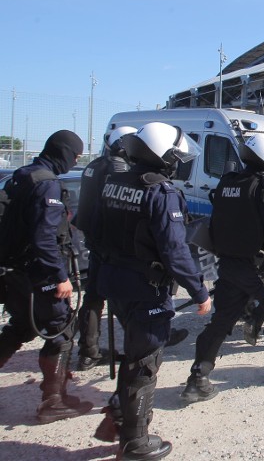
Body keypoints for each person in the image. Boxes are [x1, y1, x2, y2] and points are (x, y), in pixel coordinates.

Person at [96, 123, 211, 459]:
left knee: (134, 357)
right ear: (164, 156)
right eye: (175, 156)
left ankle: (117, 418)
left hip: (114, 281)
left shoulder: (115, 182)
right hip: (146, 288)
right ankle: (134, 442)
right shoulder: (162, 193)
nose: (178, 162)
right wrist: (199, 291)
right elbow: (175, 251)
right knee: (144, 364)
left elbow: (97, 231)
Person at [180, 134, 264, 405]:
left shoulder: (228, 182)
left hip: (228, 266)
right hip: (262, 269)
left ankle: (198, 377)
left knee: (222, 320)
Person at [0, 130, 94, 424]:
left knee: (21, 327)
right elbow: (44, 239)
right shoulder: (47, 185)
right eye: (75, 155)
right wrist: (60, 275)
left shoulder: (23, 174)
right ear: (63, 152)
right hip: (37, 272)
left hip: (12, 270)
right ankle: (53, 400)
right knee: (61, 329)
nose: (76, 160)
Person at [73, 126, 136, 371]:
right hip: (109, 241)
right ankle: (142, 339)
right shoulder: (117, 167)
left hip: (92, 237)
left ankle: (88, 352)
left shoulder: (95, 164)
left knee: (94, 297)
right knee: (123, 294)